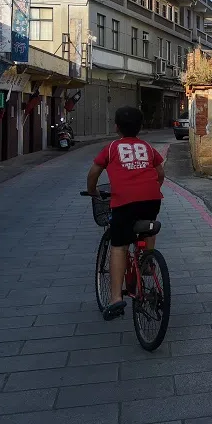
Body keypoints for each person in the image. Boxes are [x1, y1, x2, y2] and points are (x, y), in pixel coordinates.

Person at [86, 106, 165, 321]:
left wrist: (93, 191)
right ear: (140, 127)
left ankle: (115, 299)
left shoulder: (112, 148)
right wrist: (151, 189)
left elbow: (94, 172)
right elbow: (160, 173)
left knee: (119, 246)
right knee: (148, 225)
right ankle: (147, 261)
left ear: (116, 127)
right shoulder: (147, 147)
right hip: (152, 199)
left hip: (124, 203)